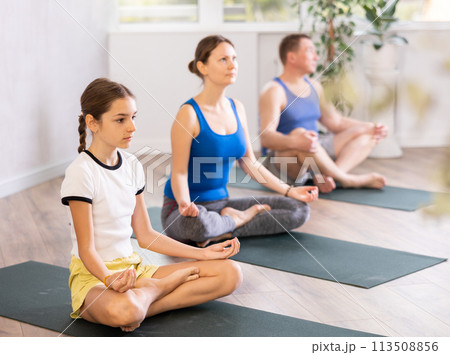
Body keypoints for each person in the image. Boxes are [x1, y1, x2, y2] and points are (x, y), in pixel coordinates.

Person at [61, 78, 242, 332]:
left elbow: (145, 235)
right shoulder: (81, 172)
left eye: (134, 117)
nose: (132, 127)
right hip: (95, 277)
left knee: (230, 273)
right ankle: (155, 292)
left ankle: (145, 300)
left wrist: (203, 253)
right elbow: (87, 249)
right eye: (121, 119)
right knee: (126, 310)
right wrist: (109, 279)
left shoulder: (132, 164)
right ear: (93, 122)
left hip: (134, 269)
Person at [162, 35, 318, 247]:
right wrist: (184, 204)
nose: (232, 65)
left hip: (221, 204)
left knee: (298, 209)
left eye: (234, 58)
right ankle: (236, 220)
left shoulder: (237, 108)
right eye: (223, 60)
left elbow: (249, 163)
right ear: (203, 67)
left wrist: (290, 191)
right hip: (184, 210)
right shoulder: (188, 114)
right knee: (198, 225)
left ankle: (223, 227)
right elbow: (179, 172)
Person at [259, 33, 389, 193]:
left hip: (315, 150)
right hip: (283, 160)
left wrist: (370, 126)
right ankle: (348, 179)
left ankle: (331, 177)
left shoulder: (315, 86)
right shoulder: (274, 90)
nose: (316, 56)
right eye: (309, 51)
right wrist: (297, 141)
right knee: (301, 133)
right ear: (291, 57)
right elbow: (265, 138)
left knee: (369, 135)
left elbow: (337, 122)